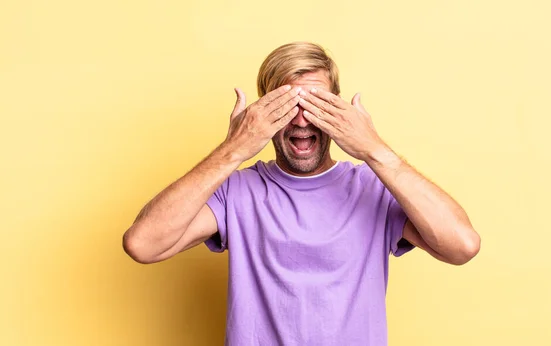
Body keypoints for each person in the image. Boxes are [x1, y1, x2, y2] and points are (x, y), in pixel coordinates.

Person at [123, 41, 481, 345]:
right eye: (286, 104)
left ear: (339, 109)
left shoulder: (373, 187)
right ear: (262, 112)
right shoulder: (236, 191)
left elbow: (461, 246)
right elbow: (143, 244)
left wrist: (374, 149)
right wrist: (232, 150)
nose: (301, 120)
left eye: (317, 104)